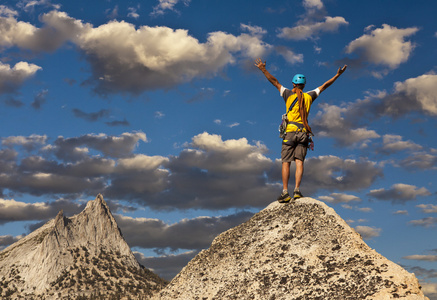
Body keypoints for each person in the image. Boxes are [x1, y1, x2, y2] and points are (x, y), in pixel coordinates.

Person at [255, 58, 347, 203]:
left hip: (290, 132)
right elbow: (324, 86)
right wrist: (337, 75)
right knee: (299, 162)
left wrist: (263, 69)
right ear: (304, 85)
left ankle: (285, 192)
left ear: (293, 84)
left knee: (286, 162)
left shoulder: (287, 94)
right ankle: (297, 190)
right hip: (304, 133)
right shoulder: (309, 96)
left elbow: (275, 82)